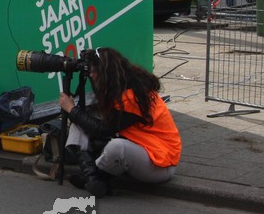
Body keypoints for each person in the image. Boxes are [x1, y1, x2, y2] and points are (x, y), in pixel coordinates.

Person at [57, 47, 182, 197]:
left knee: (117, 147)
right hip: (141, 148)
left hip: (160, 164)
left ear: (106, 74)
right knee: (78, 125)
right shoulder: (122, 86)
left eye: (94, 71)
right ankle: (92, 178)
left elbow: (103, 129)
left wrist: (71, 109)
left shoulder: (132, 97)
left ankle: (94, 177)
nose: (90, 75)